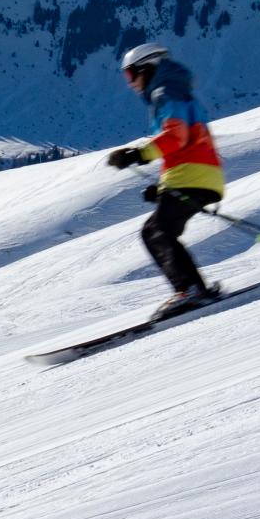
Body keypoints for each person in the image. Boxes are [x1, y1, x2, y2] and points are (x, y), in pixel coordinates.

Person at [105, 42, 227, 319]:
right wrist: (162, 188)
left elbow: (176, 136)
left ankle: (190, 291)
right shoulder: (175, 90)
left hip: (192, 175)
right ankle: (195, 289)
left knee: (157, 232)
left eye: (130, 75)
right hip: (199, 174)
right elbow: (186, 145)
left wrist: (138, 154)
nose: (130, 83)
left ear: (147, 68)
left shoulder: (165, 91)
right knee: (157, 230)